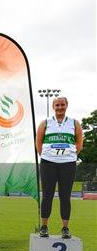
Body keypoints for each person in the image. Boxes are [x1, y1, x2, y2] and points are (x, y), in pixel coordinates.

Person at [35, 97, 83, 239]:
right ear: (53, 107)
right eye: (57, 105)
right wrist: (46, 155)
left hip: (68, 164)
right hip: (48, 163)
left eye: (62, 105)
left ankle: (65, 228)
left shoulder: (75, 123)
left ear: (66, 106)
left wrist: (71, 155)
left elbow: (79, 142)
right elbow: (38, 142)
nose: (60, 107)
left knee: (65, 196)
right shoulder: (45, 123)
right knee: (47, 195)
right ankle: (44, 226)